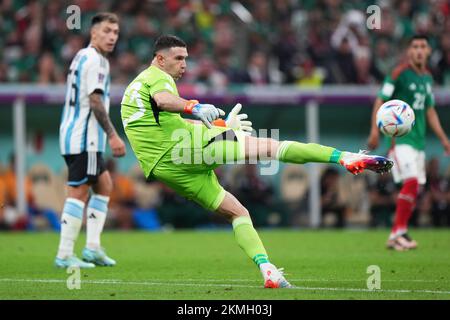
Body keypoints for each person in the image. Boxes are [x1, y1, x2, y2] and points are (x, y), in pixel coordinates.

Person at [121, 35, 393, 289]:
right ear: (159, 59)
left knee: (238, 212)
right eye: (178, 58)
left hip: (165, 166)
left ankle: (268, 271)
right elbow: (165, 101)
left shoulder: (136, 86)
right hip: (183, 147)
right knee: (270, 147)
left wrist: (219, 125)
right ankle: (345, 157)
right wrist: (195, 106)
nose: (184, 64)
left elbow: (166, 120)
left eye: (186, 58)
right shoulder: (158, 78)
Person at [56, 13, 126, 268]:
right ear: (93, 33)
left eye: (115, 33)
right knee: (79, 191)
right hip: (83, 138)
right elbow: (95, 101)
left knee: (104, 185)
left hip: (81, 137)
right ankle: (64, 255)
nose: (111, 37)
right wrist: (113, 135)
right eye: (106, 31)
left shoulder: (83, 56)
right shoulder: (96, 60)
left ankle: (92, 248)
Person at [367, 34, 450, 251]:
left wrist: (443, 139)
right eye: (415, 46)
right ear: (409, 51)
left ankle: (398, 232)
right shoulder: (399, 73)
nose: (419, 50)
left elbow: (430, 111)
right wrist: (374, 131)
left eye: (423, 46)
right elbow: (380, 100)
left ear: (429, 51)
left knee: (414, 187)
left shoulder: (427, 78)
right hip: (400, 140)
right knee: (411, 182)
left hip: (418, 142)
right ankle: (397, 232)